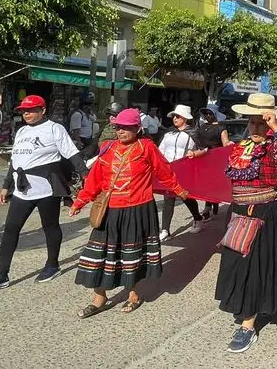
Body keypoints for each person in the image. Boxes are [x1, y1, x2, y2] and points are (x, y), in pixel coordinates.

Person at [69, 108, 190, 317]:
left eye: (127, 127)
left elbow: (164, 171)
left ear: (137, 128)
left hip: (138, 208)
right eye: (118, 127)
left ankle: (133, 294)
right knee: (101, 254)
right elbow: (95, 179)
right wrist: (80, 201)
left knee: (130, 255)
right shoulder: (108, 149)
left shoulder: (146, 147)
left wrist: (179, 190)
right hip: (111, 210)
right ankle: (100, 297)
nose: (121, 131)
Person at [216, 93, 277, 353]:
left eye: (261, 122)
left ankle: (247, 326)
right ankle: (257, 306)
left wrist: (276, 128)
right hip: (239, 214)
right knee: (239, 267)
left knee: (255, 268)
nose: (256, 128)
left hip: (265, 215)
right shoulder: (241, 147)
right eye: (252, 122)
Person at [0, 95, 89, 292]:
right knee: (11, 229)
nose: (27, 114)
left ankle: (52, 265)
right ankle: (1, 274)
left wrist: (86, 174)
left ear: (43, 110)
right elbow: (15, 161)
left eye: (31, 110)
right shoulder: (22, 131)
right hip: (22, 189)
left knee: (50, 226)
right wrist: (7, 185)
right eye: (24, 110)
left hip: (46, 188)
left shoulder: (54, 128)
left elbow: (71, 152)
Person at [157, 105, 206, 241]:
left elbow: (205, 149)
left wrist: (195, 153)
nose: (175, 119)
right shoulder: (168, 133)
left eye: (178, 116)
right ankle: (165, 229)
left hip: (184, 170)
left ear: (185, 118)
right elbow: (160, 150)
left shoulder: (194, 132)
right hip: (168, 170)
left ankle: (197, 218)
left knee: (186, 197)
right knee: (168, 198)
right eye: (174, 116)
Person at [196, 106, 231, 219]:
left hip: (215, 158)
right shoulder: (202, 126)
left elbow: (225, 142)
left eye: (210, 113)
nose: (208, 116)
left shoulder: (221, 127)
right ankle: (212, 203)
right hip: (202, 156)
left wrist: (230, 146)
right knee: (205, 183)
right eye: (206, 113)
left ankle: (208, 206)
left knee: (212, 182)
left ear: (215, 114)